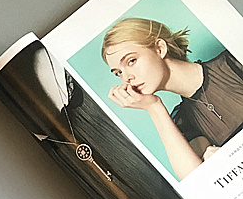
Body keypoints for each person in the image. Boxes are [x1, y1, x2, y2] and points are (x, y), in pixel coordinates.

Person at [102, 18, 243, 179]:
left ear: (160, 48)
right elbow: (197, 181)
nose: (127, 77)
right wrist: (154, 108)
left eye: (131, 61)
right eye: (118, 73)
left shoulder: (234, 62)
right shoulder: (184, 121)